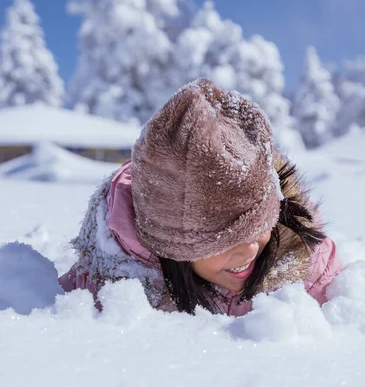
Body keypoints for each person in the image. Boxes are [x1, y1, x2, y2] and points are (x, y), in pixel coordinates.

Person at [58, 78, 341, 316]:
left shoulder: (306, 266)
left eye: (259, 225)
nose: (250, 250)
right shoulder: (109, 287)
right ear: (171, 244)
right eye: (224, 239)